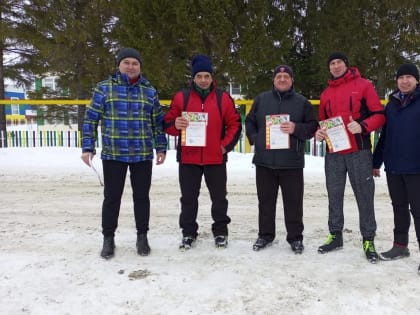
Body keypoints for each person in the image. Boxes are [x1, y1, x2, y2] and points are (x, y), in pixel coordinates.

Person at [81, 47, 167, 259]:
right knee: (112, 198)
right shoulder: (104, 89)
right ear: (119, 65)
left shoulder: (149, 91)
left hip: (142, 153)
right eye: (126, 62)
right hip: (114, 154)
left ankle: (142, 236)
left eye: (135, 63)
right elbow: (91, 119)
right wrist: (87, 147)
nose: (131, 66)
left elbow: (157, 122)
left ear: (140, 66)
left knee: (141, 197)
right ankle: (108, 238)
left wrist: (161, 147)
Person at [164, 54, 242, 250]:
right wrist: (176, 124)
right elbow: (167, 124)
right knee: (188, 198)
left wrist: (224, 146)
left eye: (207, 76)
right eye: (199, 76)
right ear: (193, 78)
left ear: (212, 77)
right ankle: (189, 233)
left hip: (215, 158)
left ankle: (221, 232)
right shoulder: (182, 97)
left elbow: (235, 124)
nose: (203, 80)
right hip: (189, 158)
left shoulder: (222, 97)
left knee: (219, 198)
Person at [315, 52, 385, 263]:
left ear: (346, 64)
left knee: (364, 196)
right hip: (334, 153)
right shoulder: (326, 93)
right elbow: (322, 122)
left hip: (359, 151)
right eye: (332, 63)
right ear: (329, 68)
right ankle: (335, 235)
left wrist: (363, 126)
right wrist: (319, 133)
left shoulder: (363, 85)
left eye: (339, 62)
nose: (336, 66)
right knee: (334, 195)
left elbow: (379, 115)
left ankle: (368, 239)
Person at [245, 65, 318, 254]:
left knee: (293, 202)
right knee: (265, 201)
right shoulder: (262, 100)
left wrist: (296, 128)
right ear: (274, 80)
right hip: (264, 161)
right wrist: (256, 139)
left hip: (291, 162)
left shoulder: (302, 102)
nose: (283, 79)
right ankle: (265, 235)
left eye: (286, 76)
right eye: (279, 76)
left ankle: (295, 237)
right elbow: (250, 122)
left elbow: (312, 127)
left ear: (292, 80)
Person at [372, 63, 420, 273]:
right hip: (394, 167)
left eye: (409, 77)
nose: (405, 81)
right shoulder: (391, 105)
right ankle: (400, 246)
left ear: (416, 80)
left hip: (417, 168)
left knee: (418, 212)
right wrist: (376, 162)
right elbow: (384, 136)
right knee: (399, 208)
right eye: (401, 77)